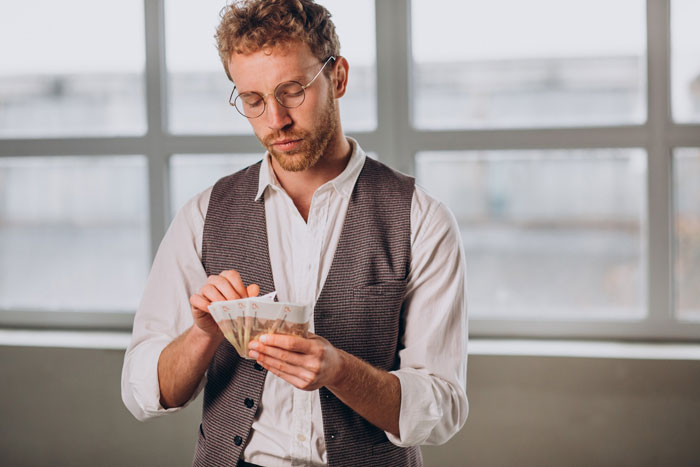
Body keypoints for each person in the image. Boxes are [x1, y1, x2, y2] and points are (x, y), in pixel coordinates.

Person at [121, 1, 468, 465]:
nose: (275, 121)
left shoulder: (422, 219)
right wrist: (203, 333)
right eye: (253, 100)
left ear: (338, 77)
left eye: (292, 91)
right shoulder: (203, 214)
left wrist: (341, 371)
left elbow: (442, 409)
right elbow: (143, 391)